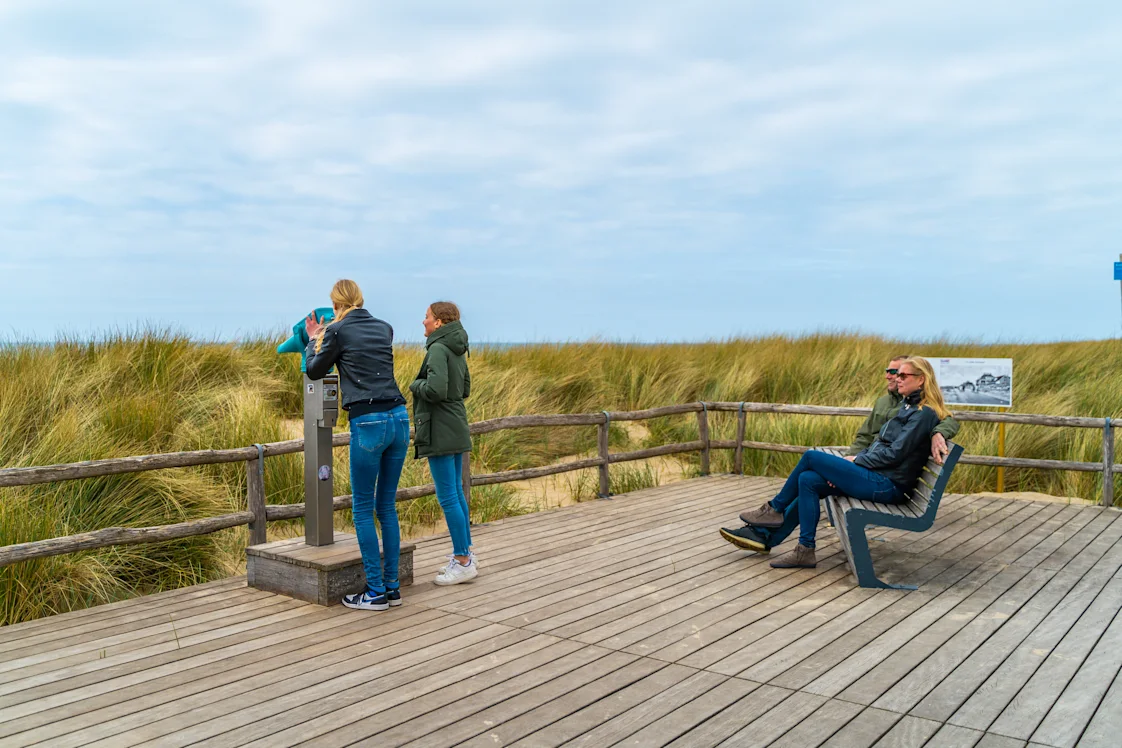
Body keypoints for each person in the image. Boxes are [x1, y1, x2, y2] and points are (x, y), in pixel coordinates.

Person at [722, 357, 950, 569]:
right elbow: (880, 444)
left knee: (811, 456)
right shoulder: (908, 406)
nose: (896, 379)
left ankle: (774, 509)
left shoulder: (923, 413)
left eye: (903, 376)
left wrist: (857, 461)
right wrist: (847, 471)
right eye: (896, 375)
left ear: (921, 380)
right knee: (808, 479)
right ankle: (805, 549)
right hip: (877, 477)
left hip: (887, 484)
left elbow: (895, 454)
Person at [305, 279, 410, 611]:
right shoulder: (385, 328)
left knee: (363, 509)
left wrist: (313, 341)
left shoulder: (336, 330)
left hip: (368, 421)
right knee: (387, 506)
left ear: (336, 304)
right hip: (399, 418)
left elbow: (314, 369)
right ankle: (391, 588)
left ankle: (375, 592)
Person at [410, 301, 476, 585]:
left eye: (426, 317)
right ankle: (466, 555)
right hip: (456, 424)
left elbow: (434, 389)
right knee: (457, 494)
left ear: (438, 322)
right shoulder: (458, 348)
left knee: (448, 496)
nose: (422, 321)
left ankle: (462, 561)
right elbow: (465, 389)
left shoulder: (437, 349)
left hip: (439, 427)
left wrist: (415, 385)